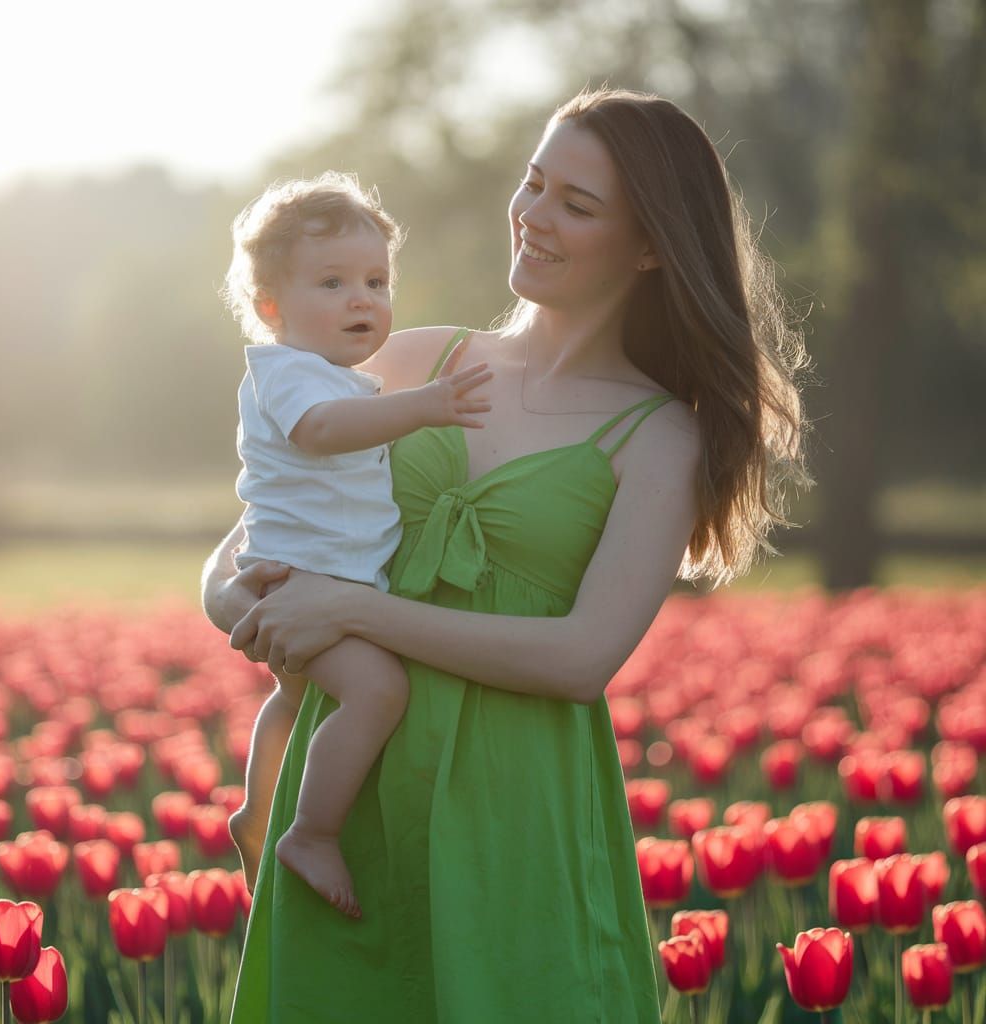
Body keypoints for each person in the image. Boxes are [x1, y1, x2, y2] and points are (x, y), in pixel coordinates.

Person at [204, 88, 810, 1023]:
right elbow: (261, 531)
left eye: (577, 203)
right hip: (355, 800)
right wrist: (237, 598)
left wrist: (352, 611)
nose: (534, 215)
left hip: (516, 801)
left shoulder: (658, 437)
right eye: (534, 184)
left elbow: (580, 660)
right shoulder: (408, 362)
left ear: (649, 245)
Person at [220, 173, 493, 917]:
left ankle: (257, 806)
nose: (361, 299)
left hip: (319, 574)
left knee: (298, 692)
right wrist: (426, 407)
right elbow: (321, 434)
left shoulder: (336, 377)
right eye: (332, 282)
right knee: (379, 691)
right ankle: (309, 831)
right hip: (308, 578)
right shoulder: (289, 376)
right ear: (271, 307)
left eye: (376, 280)